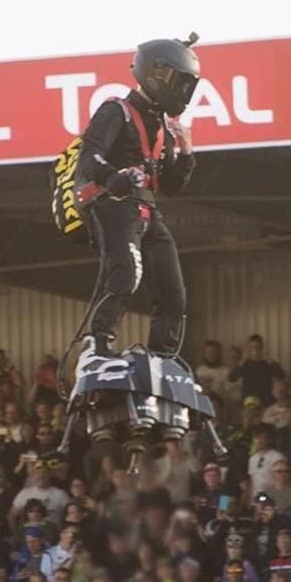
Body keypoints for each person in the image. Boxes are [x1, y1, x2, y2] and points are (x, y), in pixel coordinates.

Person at [74, 34, 201, 372]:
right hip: (115, 205)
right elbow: (89, 158)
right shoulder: (116, 110)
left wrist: (186, 151)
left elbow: (171, 185)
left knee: (173, 288)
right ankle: (96, 344)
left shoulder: (161, 125)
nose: (185, 93)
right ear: (157, 73)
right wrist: (114, 178)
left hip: (147, 210)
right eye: (181, 83)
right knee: (127, 273)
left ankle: (164, 358)